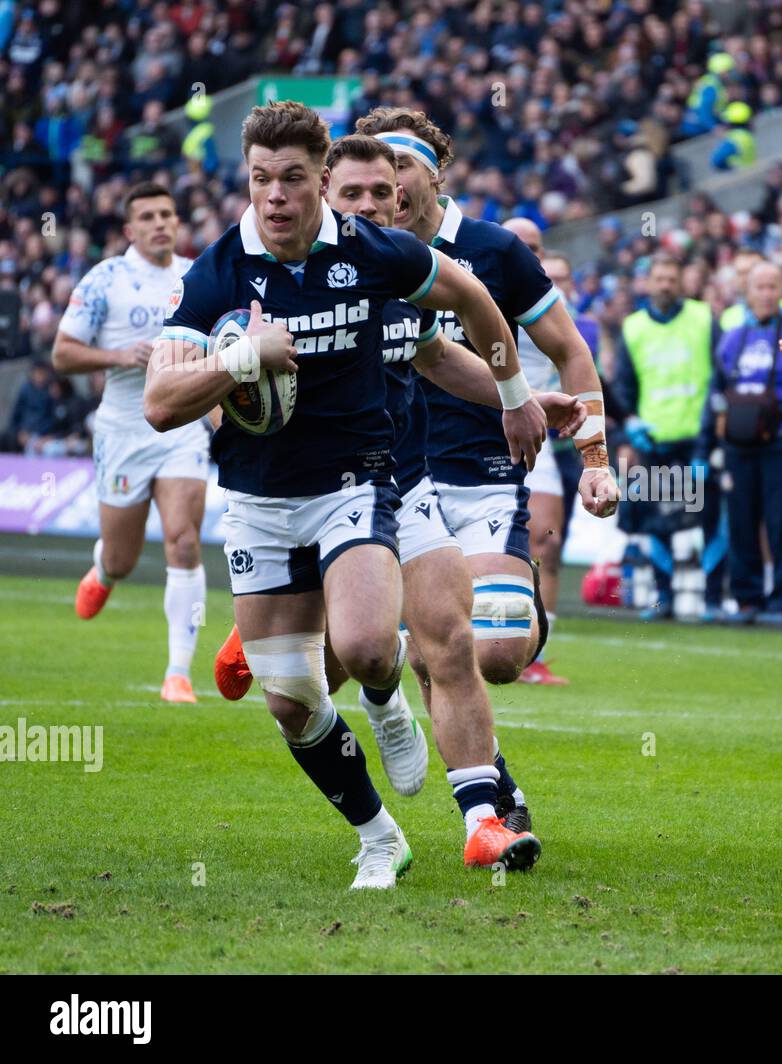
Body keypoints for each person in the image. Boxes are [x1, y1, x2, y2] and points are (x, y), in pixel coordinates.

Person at [145, 101, 550, 888]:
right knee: (290, 702)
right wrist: (242, 361)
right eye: (261, 179)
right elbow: (162, 402)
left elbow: (467, 303)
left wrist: (514, 393)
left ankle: (441, 761)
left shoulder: (373, 252)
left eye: (293, 179)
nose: (275, 196)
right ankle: (378, 836)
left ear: (321, 182)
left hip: (360, 478)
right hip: (259, 498)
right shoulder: (217, 271)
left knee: (369, 641)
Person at [354, 107, 619, 688]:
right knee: (380, 653)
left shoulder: (493, 250)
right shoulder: (343, 256)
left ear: (434, 176)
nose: (388, 184)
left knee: (497, 656)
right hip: (381, 477)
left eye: (400, 166)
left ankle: (513, 604)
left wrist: (595, 460)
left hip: (483, 470)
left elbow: (573, 352)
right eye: (374, 171)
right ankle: (468, 762)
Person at [53, 182, 208, 704]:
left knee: (184, 542)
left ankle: (177, 673)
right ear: (129, 229)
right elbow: (63, 354)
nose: (161, 223)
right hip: (122, 431)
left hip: (181, 425)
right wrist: (120, 356)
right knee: (123, 557)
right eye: (148, 217)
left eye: (168, 214)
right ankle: (104, 569)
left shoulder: (195, 275)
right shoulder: (105, 281)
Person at [502, 218, 601, 685]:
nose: (527, 252)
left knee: (548, 541)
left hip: (540, 435)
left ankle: (535, 650)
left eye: (534, 246)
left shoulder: (553, 307)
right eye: (518, 244)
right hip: (481, 432)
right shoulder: (470, 287)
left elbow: (578, 360)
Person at [703, 261, 782, 624]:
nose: (767, 293)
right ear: (748, 292)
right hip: (738, 445)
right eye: (760, 287)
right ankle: (746, 599)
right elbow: (716, 393)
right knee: (741, 522)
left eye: (774, 286)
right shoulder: (732, 337)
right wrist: (704, 445)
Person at [612, 253, 724, 620]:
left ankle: (711, 600)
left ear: (681, 281)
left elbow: (720, 379)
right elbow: (624, 388)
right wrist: (631, 424)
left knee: (707, 521)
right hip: (654, 443)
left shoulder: (704, 319)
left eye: (671, 278)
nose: (665, 284)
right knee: (657, 523)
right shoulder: (633, 328)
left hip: (698, 441)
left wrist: (711, 439)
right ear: (648, 282)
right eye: (659, 278)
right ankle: (664, 599)